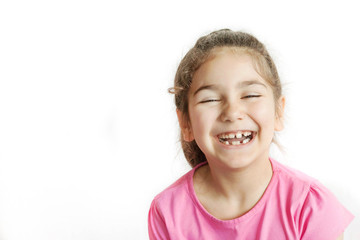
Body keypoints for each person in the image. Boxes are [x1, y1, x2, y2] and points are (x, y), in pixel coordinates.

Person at [148, 29, 354, 240]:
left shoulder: (310, 207)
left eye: (250, 95)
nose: (232, 112)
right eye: (210, 99)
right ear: (186, 122)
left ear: (278, 112)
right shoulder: (167, 211)